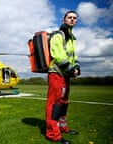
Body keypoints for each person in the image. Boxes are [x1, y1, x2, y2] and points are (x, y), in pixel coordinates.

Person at [45, 10, 80, 144]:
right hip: (57, 73)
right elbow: (57, 54)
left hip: (66, 74)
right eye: (69, 17)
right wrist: (71, 69)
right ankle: (52, 134)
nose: (72, 19)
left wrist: (76, 66)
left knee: (64, 102)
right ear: (63, 20)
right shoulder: (58, 35)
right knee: (55, 103)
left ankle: (62, 127)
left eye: (74, 18)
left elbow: (73, 56)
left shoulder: (72, 38)